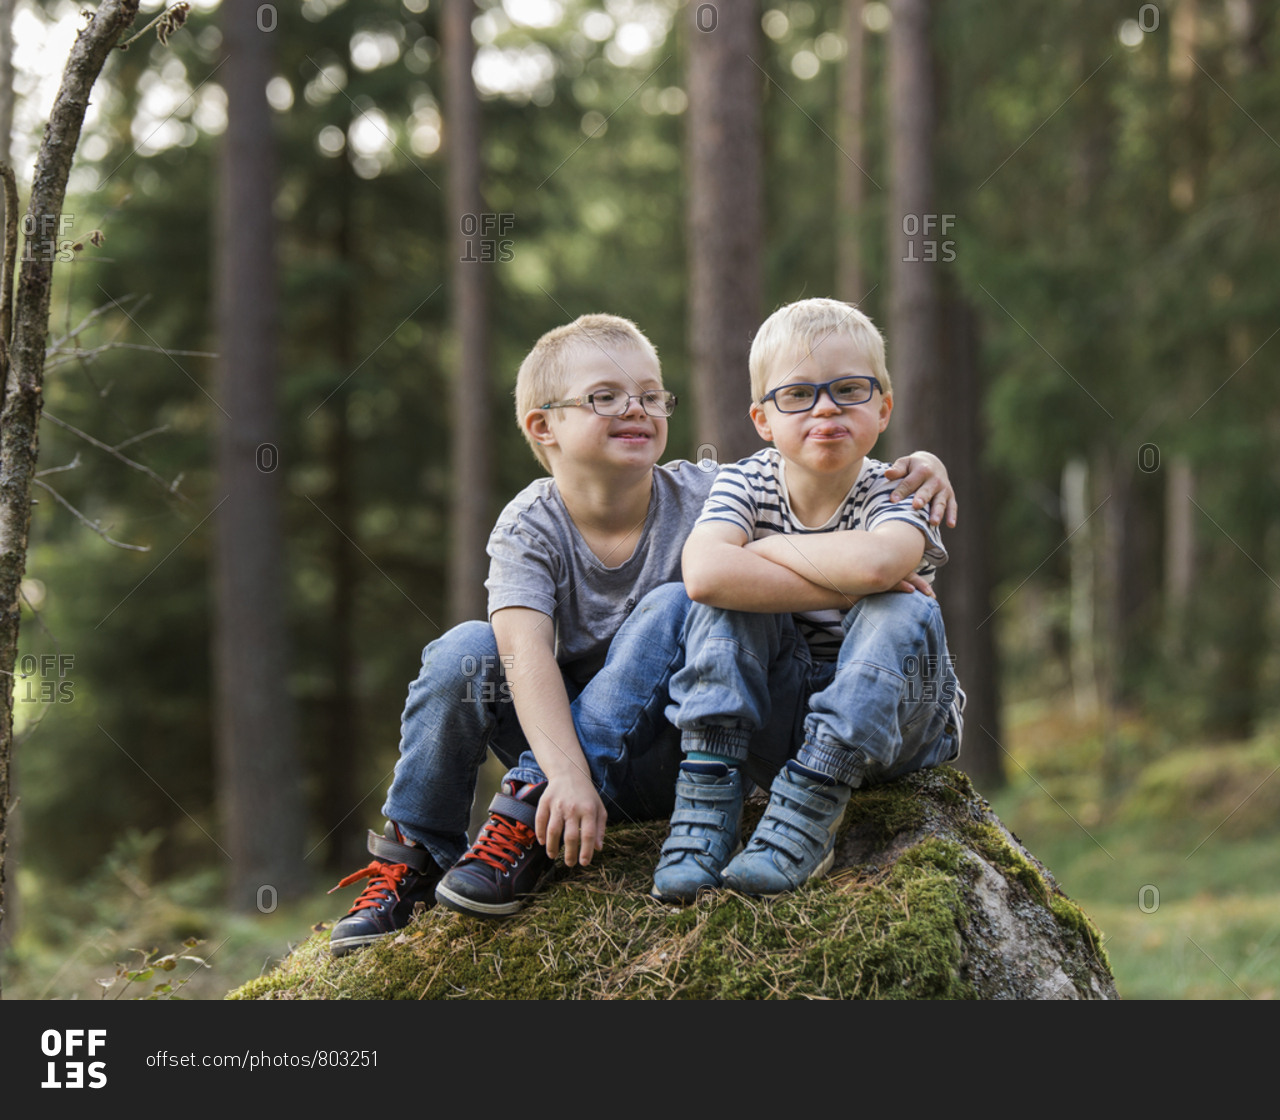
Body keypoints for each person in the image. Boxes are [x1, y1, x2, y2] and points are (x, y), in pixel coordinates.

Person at [328, 312, 955, 954]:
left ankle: (532, 811)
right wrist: (565, 775)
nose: (637, 409)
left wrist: (921, 465)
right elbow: (522, 656)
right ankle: (417, 856)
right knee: (464, 651)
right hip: (564, 757)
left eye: (652, 396)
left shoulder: (709, 493)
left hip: (674, 745)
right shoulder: (527, 526)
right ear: (543, 426)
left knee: (674, 600)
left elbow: (811, 475)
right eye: (606, 397)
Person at [651, 298, 965, 902]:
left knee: (903, 607)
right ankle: (707, 801)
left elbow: (881, 563)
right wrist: (838, 571)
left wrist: (762, 553)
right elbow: (705, 576)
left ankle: (814, 804)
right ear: (762, 419)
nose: (825, 407)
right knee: (723, 606)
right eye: (797, 394)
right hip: (780, 720)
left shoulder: (898, 486)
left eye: (849, 389)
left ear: (884, 407)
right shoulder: (745, 481)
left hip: (899, 724)